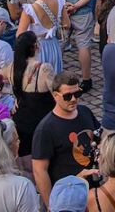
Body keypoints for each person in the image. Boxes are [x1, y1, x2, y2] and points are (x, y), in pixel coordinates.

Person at [31, 72, 100, 209]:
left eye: (77, 94)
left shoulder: (85, 112)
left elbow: (99, 137)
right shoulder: (45, 129)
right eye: (68, 96)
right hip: (67, 201)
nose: (74, 99)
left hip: (92, 192)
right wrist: (51, 206)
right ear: (55, 96)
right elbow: (39, 171)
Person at [10, 31, 56, 167]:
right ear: (35, 46)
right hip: (41, 122)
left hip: (21, 120)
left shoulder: (13, 67)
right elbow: (57, 94)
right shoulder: (44, 69)